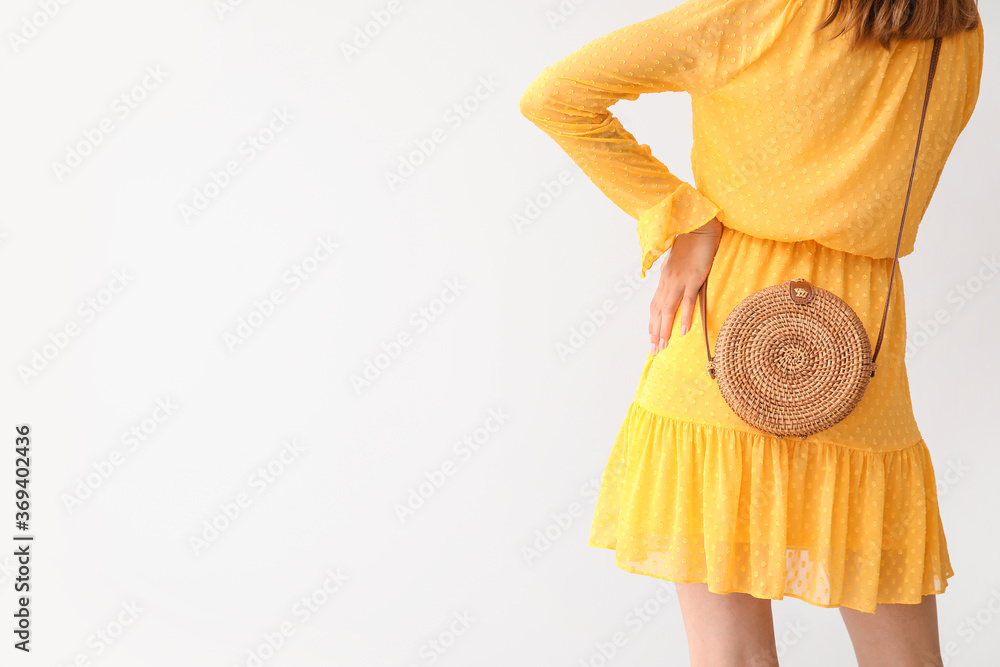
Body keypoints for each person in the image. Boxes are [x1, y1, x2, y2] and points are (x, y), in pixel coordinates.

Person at [518, 0, 984, 665]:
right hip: (860, 361)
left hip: (721, 343)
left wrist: (681, 215)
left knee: (729, 656)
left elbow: (554, 96)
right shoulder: (953, 32)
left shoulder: (759, 15)